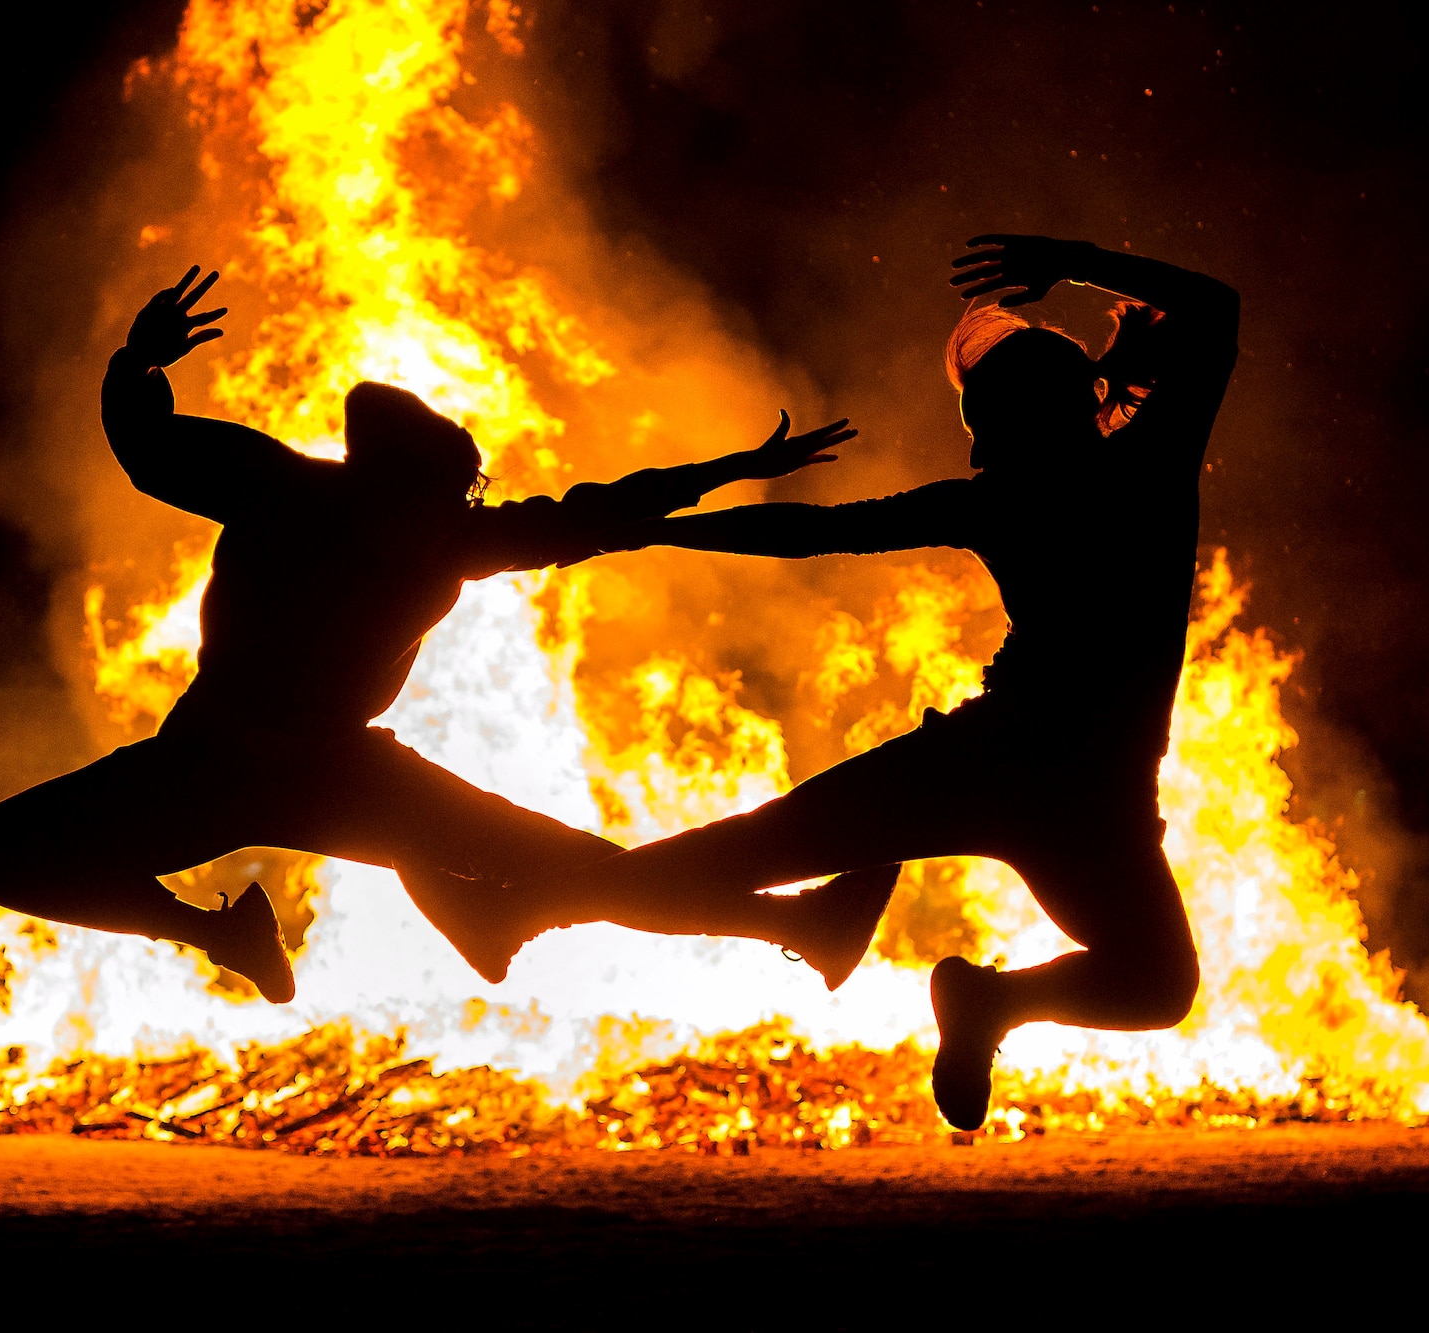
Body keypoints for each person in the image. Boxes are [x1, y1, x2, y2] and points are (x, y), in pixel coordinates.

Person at [0, 267, 898, 1004]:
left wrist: (138, 363)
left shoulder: (313, 496)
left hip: (293, 770)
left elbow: (599, 513)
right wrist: (138, 363)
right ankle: (240, 934)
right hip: (248, 766)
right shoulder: (370, 513)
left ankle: (781, 927)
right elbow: (599, 515)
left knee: (578, 865)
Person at [482, 236, 1238, 1131]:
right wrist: (1063, 261)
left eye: (982, 421)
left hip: (1019, 769)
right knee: (1152, 983)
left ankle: (984, 1005)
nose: (976, 441)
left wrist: (651, 533)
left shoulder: (1025, 493)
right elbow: (1216, 311)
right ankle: (536, 904)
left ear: (1019, 421)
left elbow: (817, 531)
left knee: (1153, 980)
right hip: (1066, 782)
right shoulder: (1143, 471)